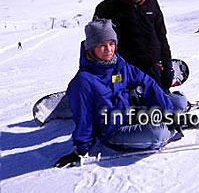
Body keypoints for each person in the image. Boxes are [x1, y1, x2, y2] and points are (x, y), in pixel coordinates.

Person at [54, 17, 187, 168]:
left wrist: (166, 110)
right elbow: (84, 118)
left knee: (178, 102)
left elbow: (146, 81)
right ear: (91, 48)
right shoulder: (83, 81)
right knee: (157, 134)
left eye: (111, 44)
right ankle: (169, 129)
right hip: (114, 131)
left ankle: (168, 118)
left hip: (132, 114)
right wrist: (81, 149)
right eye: (102, 45)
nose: (109, 50)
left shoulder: (119, 64)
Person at [94, 0, 174, 92]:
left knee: (161, 107)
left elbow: (161, 36)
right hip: (123, 69)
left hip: (152, 68)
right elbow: (96, 43)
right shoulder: (107, 7)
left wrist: (167, 66)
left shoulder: (151, 3)